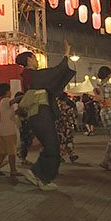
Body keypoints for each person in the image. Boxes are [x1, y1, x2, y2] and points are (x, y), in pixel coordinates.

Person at [16, 41, 75, 191]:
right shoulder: (30, 75)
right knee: (52, 146)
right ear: (29, 59)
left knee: (52, 145)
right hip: (39, 112)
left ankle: (39, 176)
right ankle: (39, 175)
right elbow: (54, 72)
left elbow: (52, 77)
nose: (37, 61)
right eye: (34, 58)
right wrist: (66, 55)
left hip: (41, 112)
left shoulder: (32, 76)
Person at [0, 83, 21, 176]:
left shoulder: (2, 102)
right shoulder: (6, 100)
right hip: (9, 131)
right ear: (7, 92)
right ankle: (13, 170)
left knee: (3, 152)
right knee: (12, 152)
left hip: (2, 130)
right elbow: (13, 101)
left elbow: (10, 113)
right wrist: (23, 96)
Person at [56, 94, 78, 163]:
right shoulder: (68, 108)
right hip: (67, 126)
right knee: (68, 141)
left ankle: (62, 156)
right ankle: (70, 155)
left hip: (60, 127)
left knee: (62, 141)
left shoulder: (57, 107)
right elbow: (73, 117)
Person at [16, 91, 34, 166]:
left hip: (26, 127)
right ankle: (22, 157)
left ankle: (22, 156)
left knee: (27, 142)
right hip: (24, 127)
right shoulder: (21, 107)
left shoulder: (22, 107)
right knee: (25, 142)